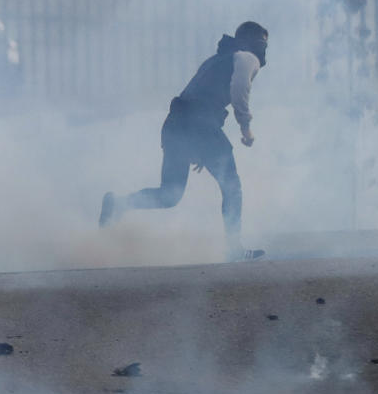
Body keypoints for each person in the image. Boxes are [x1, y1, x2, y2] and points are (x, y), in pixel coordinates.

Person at [98, 22, 269, 262]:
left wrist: (196, 147)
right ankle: (234, 249)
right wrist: (245, 127)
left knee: (169, 194)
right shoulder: (246, 57)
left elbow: (194, 97)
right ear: (249, 41)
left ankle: (119, 204)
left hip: (176, 125)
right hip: (200, 127)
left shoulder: (215, 61)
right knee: (232, 187)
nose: (264, 49)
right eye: (262, 42)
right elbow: (239, 89)